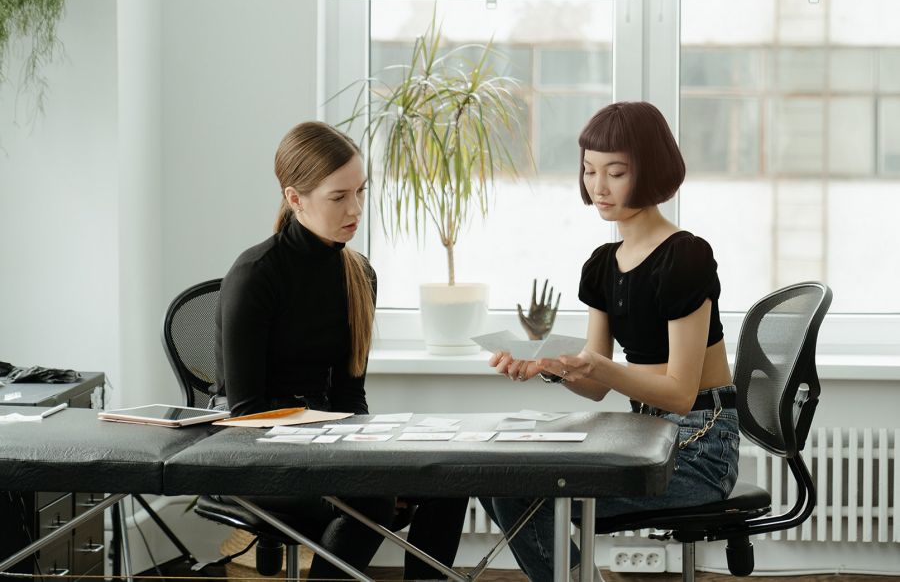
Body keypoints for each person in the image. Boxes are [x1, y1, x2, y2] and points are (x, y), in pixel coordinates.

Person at [484, 101, 740, 582]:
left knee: (519, 492)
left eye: (616, 172)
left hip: (700, 449)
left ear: (651, 170)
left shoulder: (685, 257)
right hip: (643, 436)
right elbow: (596, 385)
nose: (598, 187)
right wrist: (550, 367)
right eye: (589, 170)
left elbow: (680, 392)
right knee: (499, 479)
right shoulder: (602, 263)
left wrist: (595, 366)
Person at [214, 121, 468, 580]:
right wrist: (347, 455)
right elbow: (247, 414)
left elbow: (351, 397)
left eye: (361, 191)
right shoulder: (255, 275)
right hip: (254, 455)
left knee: (448, 482)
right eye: (338, 197)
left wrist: (370, 454)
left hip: (327, 444)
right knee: (372, 499)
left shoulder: (359, 274)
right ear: (295, 198)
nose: (355, 209)